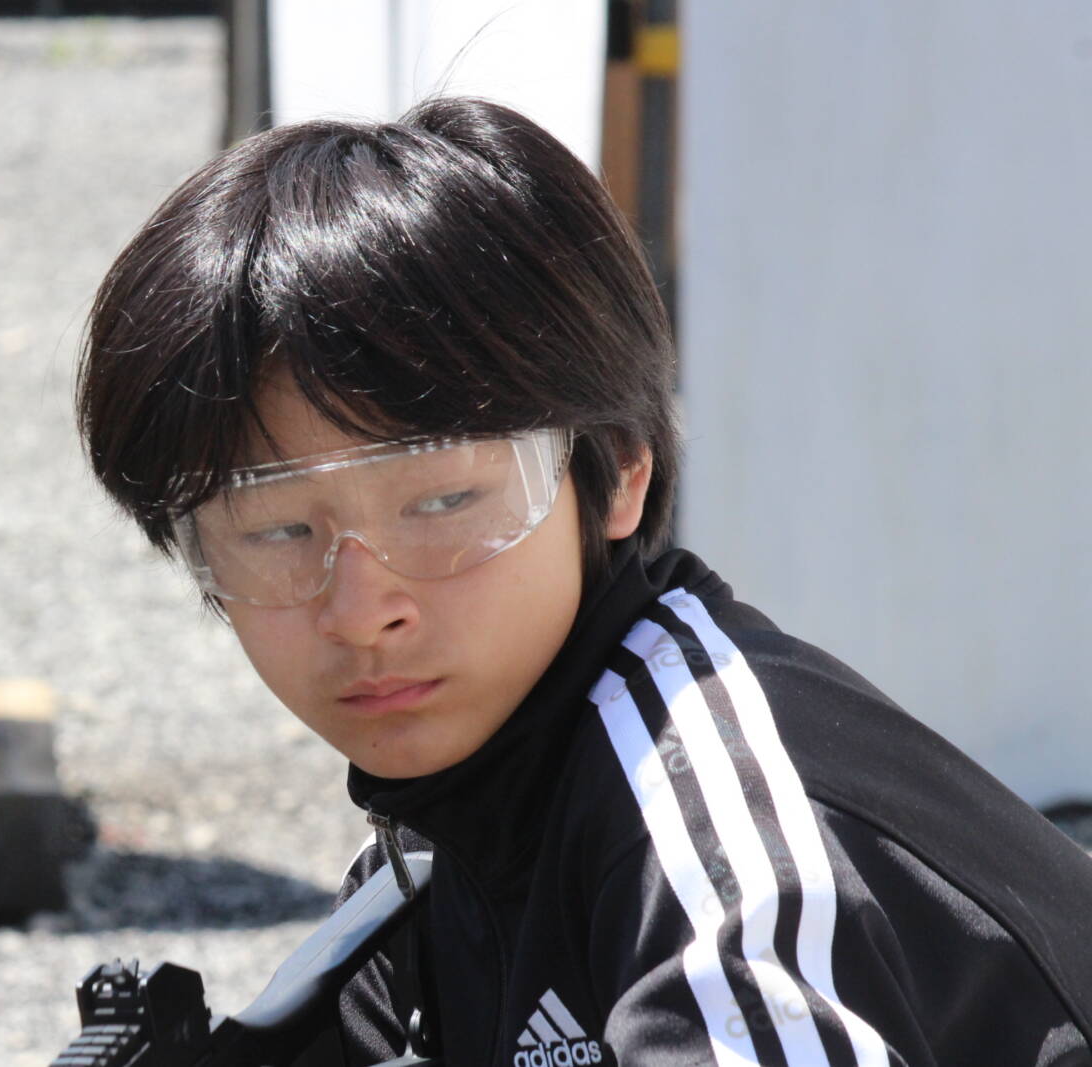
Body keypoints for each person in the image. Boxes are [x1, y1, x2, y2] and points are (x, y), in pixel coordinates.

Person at [74, 96, 1092, 1066]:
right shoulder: (444, 847)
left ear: (621, 468)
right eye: (275, 530)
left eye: (444, 502)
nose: (363, 609)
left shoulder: (715, 843)